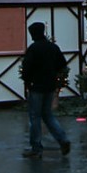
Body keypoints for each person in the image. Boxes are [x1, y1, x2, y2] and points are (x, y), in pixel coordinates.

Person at [21, 22, 70, 158]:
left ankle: (36, 147)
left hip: (36, 86)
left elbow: (26, 69)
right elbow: (62, 64)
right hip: (50, 85)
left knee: (35, 116)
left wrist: (28, 80)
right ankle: (62, 139)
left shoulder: (33, 49)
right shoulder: (52, 47)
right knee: (47, 115)